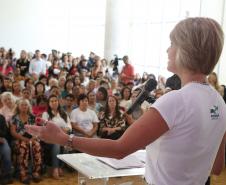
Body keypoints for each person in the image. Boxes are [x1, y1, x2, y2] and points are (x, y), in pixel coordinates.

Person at [25, 17, 226, 185]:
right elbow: (216, 167)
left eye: (172, 44)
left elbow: (120, 149)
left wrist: (63, 139)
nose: (167, 50)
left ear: (185, 50)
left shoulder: (175, 100)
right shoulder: (220, 103)